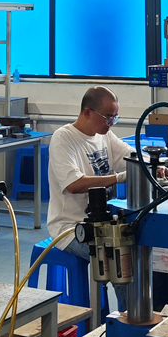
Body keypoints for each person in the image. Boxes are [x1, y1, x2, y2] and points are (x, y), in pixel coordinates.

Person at [47, 87, 135, 311]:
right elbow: (74, 184)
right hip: (71, 228)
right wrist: (118, 178)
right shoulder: (64, 139)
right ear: (87, 112)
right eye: (108, 117)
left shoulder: (104, 136)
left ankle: (136, 314)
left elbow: (130, 157)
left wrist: (155, 163)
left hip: (103, 224)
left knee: (141, 250)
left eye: (115, 117)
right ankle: (129, 319)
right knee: (119, 258)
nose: (111, 123)